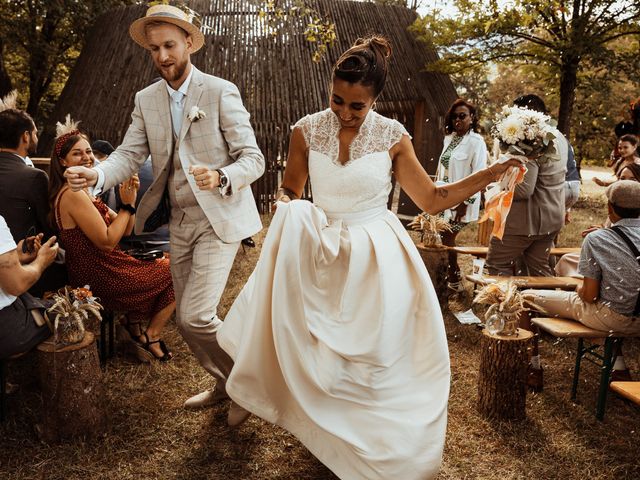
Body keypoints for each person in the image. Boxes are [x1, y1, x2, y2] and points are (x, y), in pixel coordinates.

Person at [217, 37, 520, 480]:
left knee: (374, 350)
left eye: (356, 106)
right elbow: (292, 189)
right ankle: (264, 391)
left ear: (375, 100)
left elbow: (433, 199)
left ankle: (365, 433)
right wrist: (287, 206)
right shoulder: (305, 130)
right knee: (310, 338)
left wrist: (491, 173)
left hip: (376, 251)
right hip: (322, 246)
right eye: (337, 100)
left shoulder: (393, 137)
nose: (343, 112)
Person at [63, 4, 264, 423]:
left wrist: (222, 176)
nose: (162, 57)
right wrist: (96, 175)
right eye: (154, 49)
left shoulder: (220, 91)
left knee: (196, 315)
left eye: (169, 46)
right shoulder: (145, 99)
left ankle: (250, 385)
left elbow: (254, 159)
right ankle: (226, 382)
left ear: (189, 42)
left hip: (217, 219)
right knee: (191, 323)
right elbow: (128, 155)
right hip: (177, 222)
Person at [49, 123, 176, 361]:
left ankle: (134, 324)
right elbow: (107, 242)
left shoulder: (86, 191)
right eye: (77, 153)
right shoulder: (72, 194)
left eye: (88, 151)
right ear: (63, 162)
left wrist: (129, 199)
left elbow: (126, 229)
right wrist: (127, 206)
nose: (86, 158)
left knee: (170, 261)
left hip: (110, 265)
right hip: (99, 275)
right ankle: (151, 334)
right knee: (180, 269)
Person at [523, 180, 640, 386]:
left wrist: (578, 286)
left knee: (525, 297)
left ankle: (532, 367)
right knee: (618, 300)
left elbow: (589, 296)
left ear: (609, 208)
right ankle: (619, 367)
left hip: (612, 318)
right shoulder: (603, 236)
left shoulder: (597, 239)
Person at [485, 94, 568, 277]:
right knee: (538, 271)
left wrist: (494, 190)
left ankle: (503, 306)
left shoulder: (529, 139)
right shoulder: (559, 137)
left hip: (524, 221)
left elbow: (523, 189)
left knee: (496, 267)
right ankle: (541, 305)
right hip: (552, 217)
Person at [436, 98, 488, 292]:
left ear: (471, 118)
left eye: (463, 116)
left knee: (448, 237)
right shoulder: (448, 139)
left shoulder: (477, 142)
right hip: (442, 198)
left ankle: (454, 281)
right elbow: (442, 170)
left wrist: (464, 202)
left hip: (462, 202)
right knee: (441, 238)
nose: (458, 120)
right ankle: (445, 279)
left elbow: (479, 175)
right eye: (455, 116)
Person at [0, 214, 58, 359]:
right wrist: (42, 261)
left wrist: (16, 257)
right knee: (64, 313)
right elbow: (17, 284)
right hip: (7, 328)